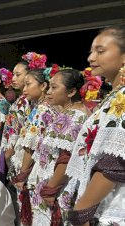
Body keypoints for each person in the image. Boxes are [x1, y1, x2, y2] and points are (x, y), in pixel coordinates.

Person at [65, 25, 125, 225]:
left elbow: (115, 163)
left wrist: (81, 212)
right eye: (91, 51)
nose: (91, 58)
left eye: (100, 51)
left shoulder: (123, 98)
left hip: (111, 205)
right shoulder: (113, 96)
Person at [27, 68, 90, 225]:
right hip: (50, 187)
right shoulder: (68, 113)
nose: (49, 91)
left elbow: (66, 158)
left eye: (54, 87)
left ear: (71, 92)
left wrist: (50, 190)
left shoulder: (75, 116)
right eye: (50, 87)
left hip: (57, 191)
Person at [12, 68, 58, 226]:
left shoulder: (41, 110)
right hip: (43, 168)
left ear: (43, 86)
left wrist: (22, 175)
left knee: (30, 215)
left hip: (34, 171)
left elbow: (30, 146)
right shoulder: (48, 107)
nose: (24, 89)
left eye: (28, 84)